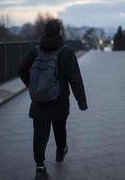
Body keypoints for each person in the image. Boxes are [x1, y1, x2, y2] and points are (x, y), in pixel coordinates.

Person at [19, 19, 88, 180]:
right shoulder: (67, 53)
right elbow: (75, 79)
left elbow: (22, 69)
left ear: (45, 32)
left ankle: (40, 168)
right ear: (59, 32)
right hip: (59, 100)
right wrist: (81, 101)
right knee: (60, 128)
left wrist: (33, 86)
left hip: (39, 102)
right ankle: (60, 151)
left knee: (40, 134)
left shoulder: (36, 50)